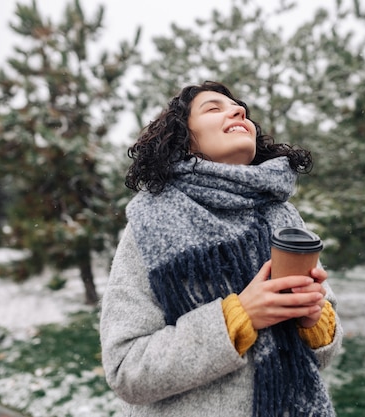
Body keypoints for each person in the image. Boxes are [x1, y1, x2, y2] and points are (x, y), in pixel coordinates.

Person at [100, 81, 343, 416]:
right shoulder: (153, 222)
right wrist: (238, 317)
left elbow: (323, 355)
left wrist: (314, 319)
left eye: (239, 108)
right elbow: (126, 369)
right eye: (213, 108)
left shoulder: (281, 214)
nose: (239, 110)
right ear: (183, 138)